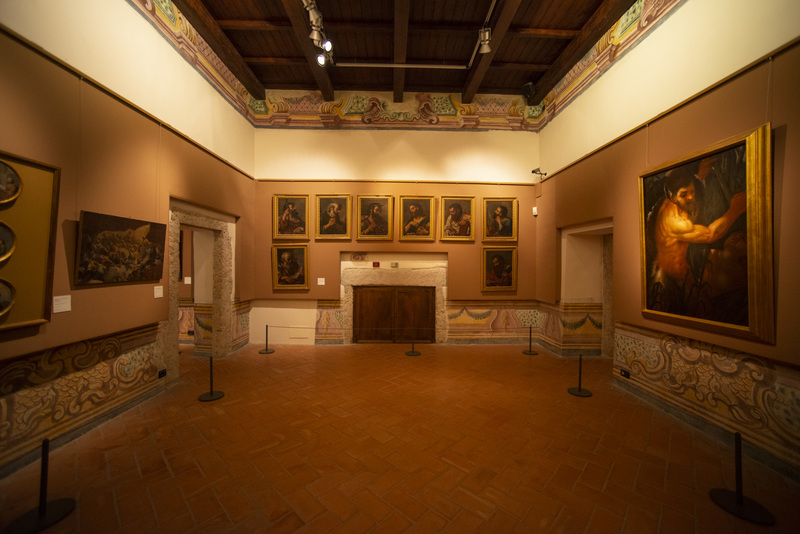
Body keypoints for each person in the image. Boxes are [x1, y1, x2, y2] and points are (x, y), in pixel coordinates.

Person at [648, 165, 746, 314]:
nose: (690, 197)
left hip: (684, 275)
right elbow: (710, 235)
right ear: (672, 197)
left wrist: (700, 177)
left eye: (692, 191)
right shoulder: (675, 222)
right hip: (670, 281)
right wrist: (735, 210)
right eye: (684, 194)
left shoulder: (675, 204)